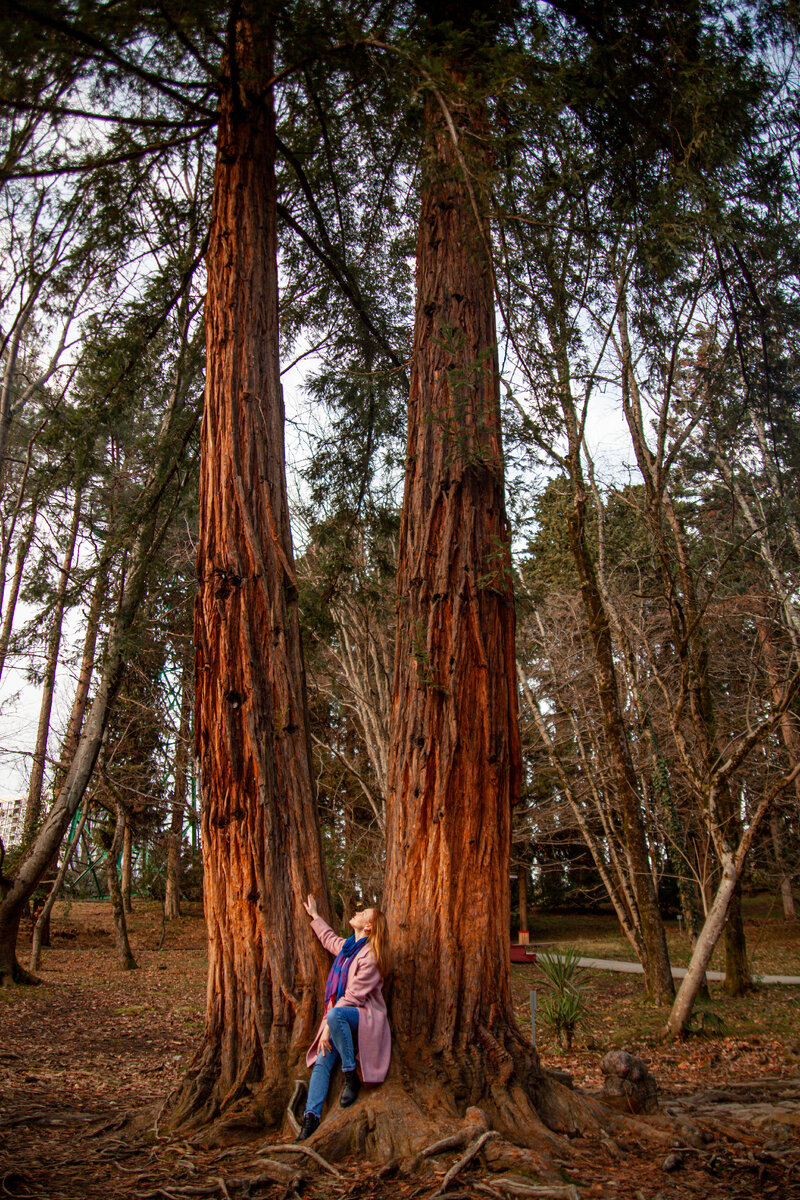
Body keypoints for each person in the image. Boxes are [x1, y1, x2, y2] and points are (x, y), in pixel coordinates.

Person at [296, 894, 391, 1141]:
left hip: (363, 1017)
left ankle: (350, 1075)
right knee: (321, 1063)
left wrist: (328, 1024)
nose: (357, 913)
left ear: (369, 927)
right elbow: (329, 940)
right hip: (338, 1019)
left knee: (336, 1015)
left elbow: (354, 996)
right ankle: (310, 1121)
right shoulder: (349, 949)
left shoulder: (371, 956)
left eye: (363, 914)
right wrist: (315, 915)